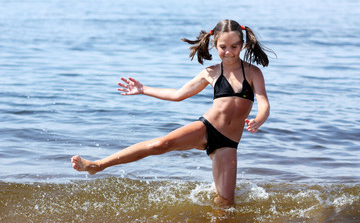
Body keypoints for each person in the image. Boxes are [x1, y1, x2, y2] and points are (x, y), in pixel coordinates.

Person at [71, 19, 272, 206]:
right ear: (215, 45)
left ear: (243, 44)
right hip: (207, 128)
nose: (228, 52)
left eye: (234, 47)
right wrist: (144, 89)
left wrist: (259, 120)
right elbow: (178, 94)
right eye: (223, 47)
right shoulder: (211, 72)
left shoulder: (253, 73)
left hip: (228, 144)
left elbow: (263, 102)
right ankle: (98, 165)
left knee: (226, 203)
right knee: (161, 144)